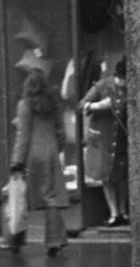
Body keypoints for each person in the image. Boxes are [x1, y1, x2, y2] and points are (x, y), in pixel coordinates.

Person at [10, 64, 68, 256]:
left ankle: (14, 239)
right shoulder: (53, 103)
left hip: (31, 157)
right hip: (51, 154)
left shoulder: (24, 105)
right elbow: (61, 133)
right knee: (51, 198)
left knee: (20, 197)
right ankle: (55, 241)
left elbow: (23, 136)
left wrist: (17, 161)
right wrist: (56, 149)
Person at [82, 59, 129, 224]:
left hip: (121, 138)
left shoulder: (130, 89)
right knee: (106, 176)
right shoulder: (102, 86)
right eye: (122, 79)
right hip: (103, 138)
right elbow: (82, 105)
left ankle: (123, 211)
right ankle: (113, 213)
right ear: (117, 76)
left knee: (122, 176)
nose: (124, 83)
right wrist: (98, 106)